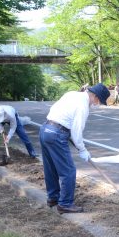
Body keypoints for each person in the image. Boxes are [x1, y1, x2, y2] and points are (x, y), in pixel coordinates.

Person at [39, 83, 110, 214]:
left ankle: (53, 198)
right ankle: (65, 204)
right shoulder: (83, 106)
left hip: (45, 129)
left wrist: (69, 135)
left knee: (51, 168)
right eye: (98, 100)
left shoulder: (71, 94)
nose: (97, 104)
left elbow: (60, 115)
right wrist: (82, 149)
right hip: (57, 134)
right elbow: (76, 132)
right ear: (94, 95)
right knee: (68, 171)